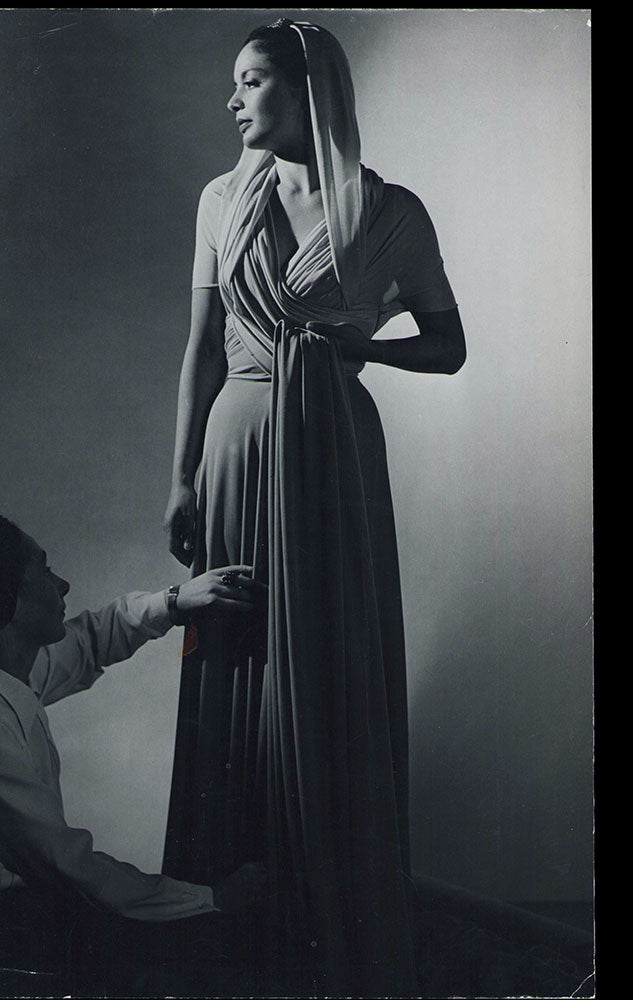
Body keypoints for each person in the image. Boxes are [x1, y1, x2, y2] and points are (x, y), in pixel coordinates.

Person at [161, 18, 466, 996]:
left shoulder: (391, 213)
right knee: (237, 652)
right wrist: (177, 476)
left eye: (250, 83)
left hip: (331, 452)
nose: (234, 102)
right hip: (236, 443)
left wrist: (365, 349)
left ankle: (328, 906)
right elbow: (202, 347)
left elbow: (449, 345)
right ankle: (235, 905)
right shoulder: (219, 199)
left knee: (327, 659)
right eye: (236, 85)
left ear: (304, 92)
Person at [0, 506, 268, 993]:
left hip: (1, 913)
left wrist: (174, 601)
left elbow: (88, 641)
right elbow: (66, 863)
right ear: (11, 602)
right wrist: (212, 898)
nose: (62, 585)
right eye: (44, 570)